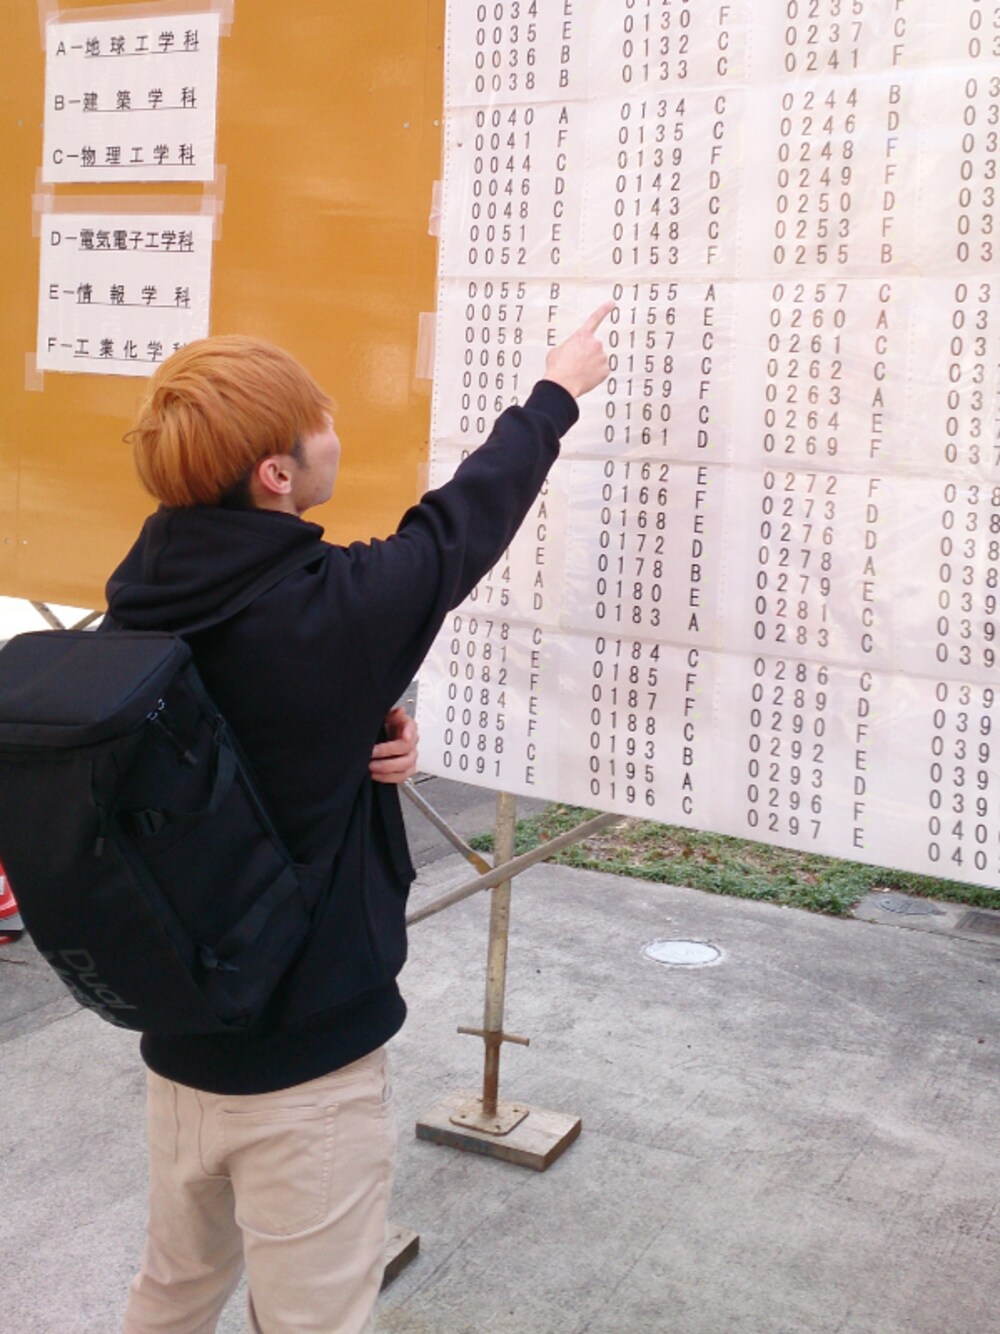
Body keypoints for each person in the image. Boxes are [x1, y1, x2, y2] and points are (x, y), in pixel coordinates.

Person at [109, 303, 612, 1333]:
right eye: (322, 421)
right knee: (314, 1317)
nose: (335, 433)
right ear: (276, 473)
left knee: (174, 1291)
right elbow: (460, 525)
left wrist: (358, 740)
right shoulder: (332, 611)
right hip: (308, 1066)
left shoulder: (135, 606)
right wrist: (555, 392)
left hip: (179, 1043)